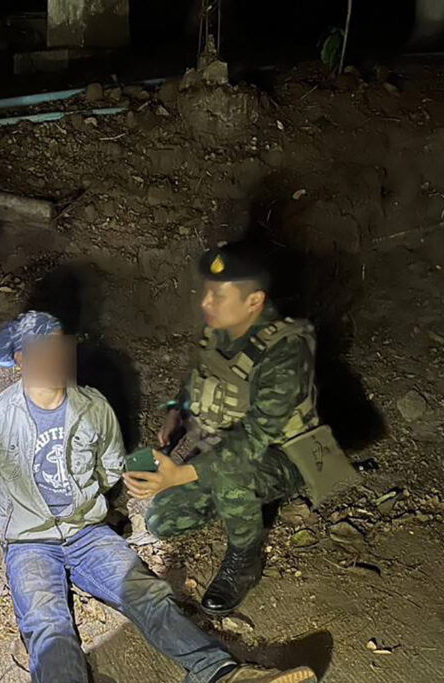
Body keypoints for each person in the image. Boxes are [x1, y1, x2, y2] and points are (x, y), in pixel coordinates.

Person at [0, 311, 317, 683]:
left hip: (87, 532)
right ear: (20, 358)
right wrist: (20, 515)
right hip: (28, 541)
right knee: (46, 621)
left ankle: (221, 675)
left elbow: (110, 468)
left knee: (148, 594)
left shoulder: (94, 407)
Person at [124, 239, 356, 617]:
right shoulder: (221, 328)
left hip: (289, 454)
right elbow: (199, 378)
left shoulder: (286, 349)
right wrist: (176, 411)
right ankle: (240, 501)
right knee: (162, 520)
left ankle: (245, 561)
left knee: (232, 478)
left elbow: (252, 441)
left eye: (217, 295)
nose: (205, 302)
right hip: (226, 439)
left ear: (254, 301)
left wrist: (183, 474)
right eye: (206, 292)